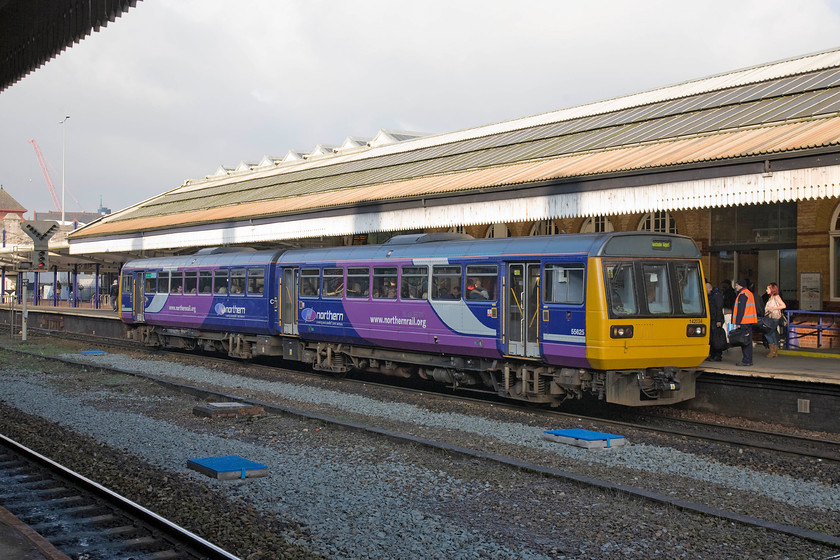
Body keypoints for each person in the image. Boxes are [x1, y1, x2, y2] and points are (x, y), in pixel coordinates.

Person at [732, 279, 758, 366]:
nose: (735, 287)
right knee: (748, 340)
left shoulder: (742, 295)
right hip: (749, 321)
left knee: (744, 341)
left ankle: (746, 360)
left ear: (740, 285)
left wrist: (738, 322)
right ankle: (748, 360)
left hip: (744, 321)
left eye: (736, 285)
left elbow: (740, 310)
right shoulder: (749, 293)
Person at [762, 282, 786, 358]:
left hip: (774, 318)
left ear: (772, 289)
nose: (766, 290)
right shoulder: (771, 297)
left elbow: (783, 305)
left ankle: (772, 350)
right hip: (770, 318)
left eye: (768, 288)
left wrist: (774, 308)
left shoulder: (776, 296)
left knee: (768, 333)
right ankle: (775, 350)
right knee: (772, 333)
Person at [706, 282, 725, 361]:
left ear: (709, 288)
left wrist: (718, 320)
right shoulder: (711, 296)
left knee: (716, 337)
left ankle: (717, 355)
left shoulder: (716, 296)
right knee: (712, 337)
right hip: (712, 319)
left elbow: (719, 308)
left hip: (716, 320)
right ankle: (713, 354)